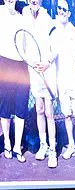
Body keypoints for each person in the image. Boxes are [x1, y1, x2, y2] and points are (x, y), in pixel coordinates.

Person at [48, 0, 75, 165]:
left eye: (64, 9)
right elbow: (52, 55)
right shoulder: (54, 32)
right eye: (59, 8)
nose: (61, 11)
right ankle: (71, 145)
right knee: (67, 116)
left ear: (69, 13)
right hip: (61, 83)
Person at [22, 0, 58, 168]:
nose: (33, 1)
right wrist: (30, 62)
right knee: (39, 110)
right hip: (34, 71)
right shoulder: (25, 15)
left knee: (49, 112)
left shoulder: (48, 19)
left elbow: (55, 48)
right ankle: (43, 145)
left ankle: (52, 149)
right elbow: (24, 43)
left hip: (48, 71)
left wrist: (47, 62)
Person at [0, 0, 29, 162]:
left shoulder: (23, 15)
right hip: (4, 64)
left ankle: (17, 146)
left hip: (22, 66)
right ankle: (7, 143)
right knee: (4, 107)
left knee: (21, 106)